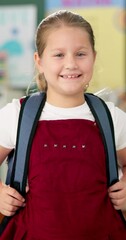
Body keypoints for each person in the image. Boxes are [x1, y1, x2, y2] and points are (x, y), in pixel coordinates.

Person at [0, 10, 126, 240]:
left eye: (80, 54)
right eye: (58, 54)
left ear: (94, 57)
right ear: (39, 61)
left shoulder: (111, 117)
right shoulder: (16, 115)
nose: (71, 64)